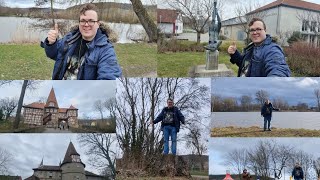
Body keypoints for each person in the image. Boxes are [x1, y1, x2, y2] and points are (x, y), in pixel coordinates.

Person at [41, 3, 122, 80]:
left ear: (98, 24)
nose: (86, 24)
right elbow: (52, 54)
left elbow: (109, 78)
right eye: (83, 20)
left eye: (91, 21)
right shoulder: (70, 39)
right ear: (79, 23)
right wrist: (51, 43)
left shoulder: (106, 50)